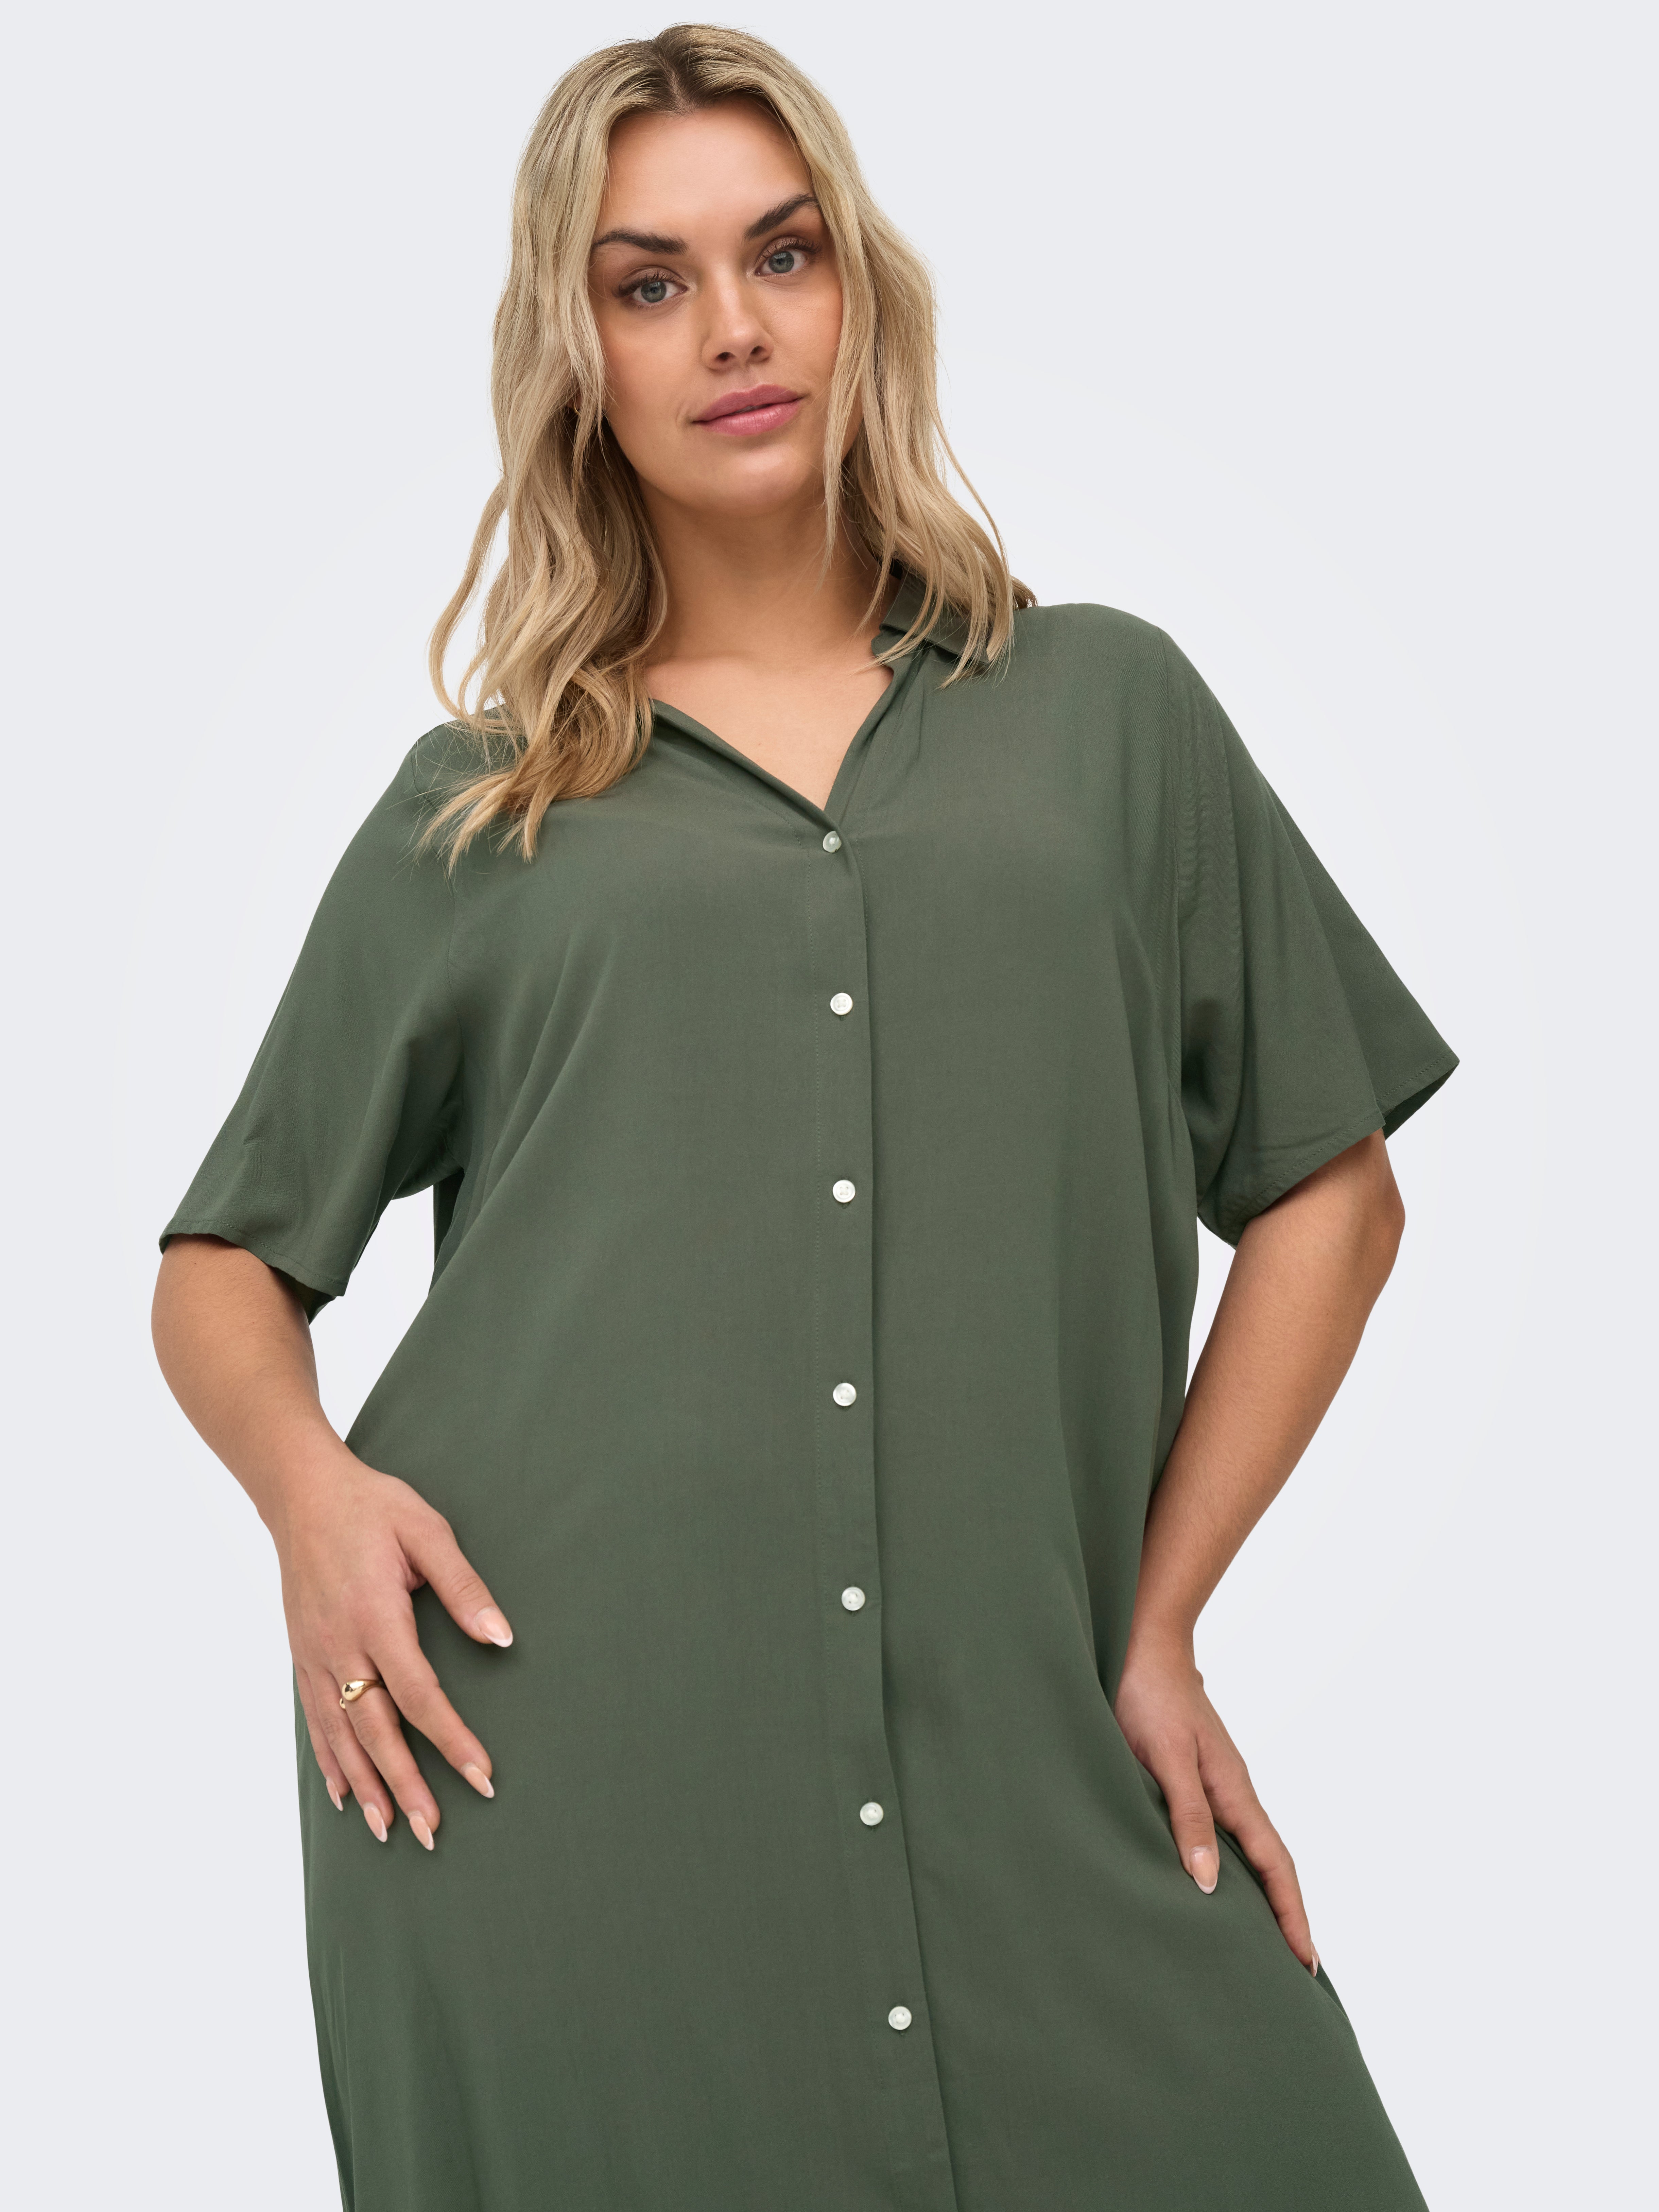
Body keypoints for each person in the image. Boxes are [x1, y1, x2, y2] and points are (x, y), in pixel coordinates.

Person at [153, 25, 1456, 2212]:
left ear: (863, 287)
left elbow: (1330, 1191)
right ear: (574, 354)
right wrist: (308, 1502)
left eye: (781, 253)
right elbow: (225, 1261)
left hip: (1032, 1755)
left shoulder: (1105, 712)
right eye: (646, 282)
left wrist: (1154, 1621)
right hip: (550, 1789)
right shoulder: (483, 810)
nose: (732, 328)